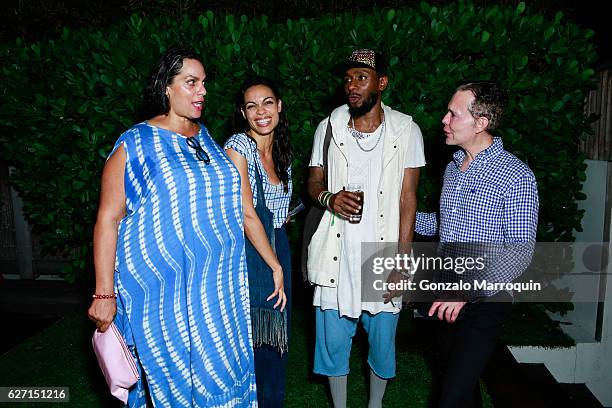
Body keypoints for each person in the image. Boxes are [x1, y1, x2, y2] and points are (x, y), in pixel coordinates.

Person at [87, 48, 257, 407]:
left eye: (204, 83)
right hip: (166, 294)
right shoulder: (136, 143)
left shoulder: (205, 136)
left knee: (224, 375)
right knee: (175, 381)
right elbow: (108, 218)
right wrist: (104, 294)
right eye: (191, 83)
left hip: (219, 290)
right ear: (166, 87)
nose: (202, 92)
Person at [306, 49, 425, 408]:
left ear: (381, 83)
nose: (351, 86)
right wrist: (329, 198)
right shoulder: (327, 126)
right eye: (347, 79)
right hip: (336, 252)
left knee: (383, 346)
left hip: (381, 253)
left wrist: (402, 263)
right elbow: (313, 183)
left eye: (361, 77)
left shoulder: (407, 129)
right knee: (332, 345)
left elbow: (408, 198)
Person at [415, 81, 539, 407]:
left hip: (484, 300)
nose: (443, 119)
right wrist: (396, 213)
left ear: (480, 123)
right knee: (456, 387)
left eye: (453, 114)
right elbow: (443, 226)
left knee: (451, 397)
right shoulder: (454, 167)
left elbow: (520, 250)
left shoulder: (515, 175)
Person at [224, 76, 292, 407]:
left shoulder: (281, 149)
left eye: (267, 102)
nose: (260, 111)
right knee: (254, 344)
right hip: (251, 254)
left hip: (279, 244)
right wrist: (274, 264)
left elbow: (278, 209)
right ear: (243, 113)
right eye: (251, 105)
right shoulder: (238, 147)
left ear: (279, 105)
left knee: (276, 343)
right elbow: (246, 212)